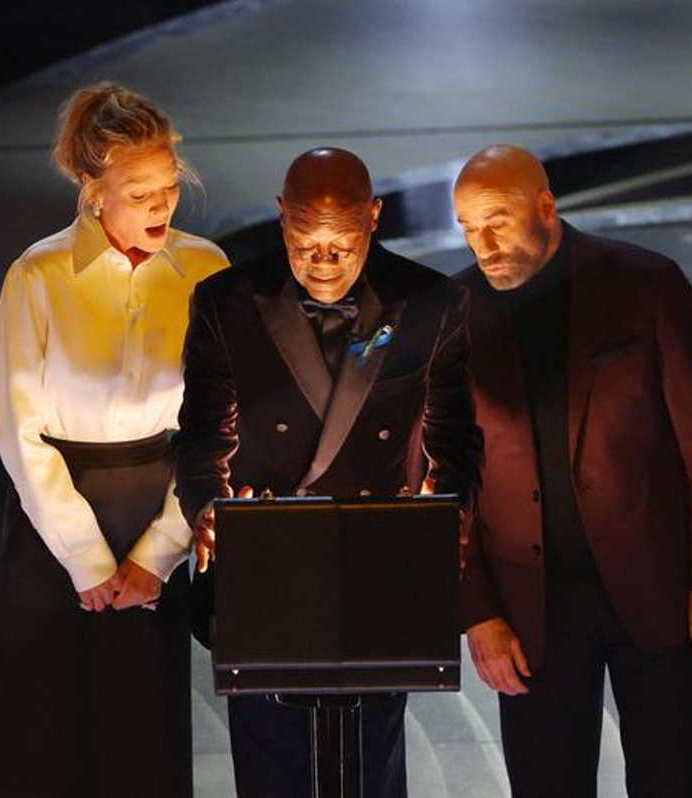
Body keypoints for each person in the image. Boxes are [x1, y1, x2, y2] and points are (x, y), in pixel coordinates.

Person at [173, 146, 482, 798]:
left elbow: (455, 438)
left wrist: (449, 515)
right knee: (270, 765)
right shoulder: (228, 302)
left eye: (341, 244)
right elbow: (202, 434)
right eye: (304, 243)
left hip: (380, 567)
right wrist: (207, 509)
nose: (323, 261)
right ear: (280, 216)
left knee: (373, 764)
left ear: (373, 217)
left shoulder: (429, 301)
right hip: (265, 570)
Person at [454, 144, 692, 798]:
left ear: (546, 206)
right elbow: (446, 481)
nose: (484, 244)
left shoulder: (646, 283)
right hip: (529, 608)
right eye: (469, 227)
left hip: (659, 587)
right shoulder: (453, 312)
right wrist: (478, 613)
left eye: (497, 221)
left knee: (672, 783)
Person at [0, 82, 228, 798]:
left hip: (159, 508)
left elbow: (216, 427)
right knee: (36, 733)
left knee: (141, 732)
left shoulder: (206, 270)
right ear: (92, 189)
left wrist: (159, 555)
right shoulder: (39, 273)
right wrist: (85, 559)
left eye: (169, 189)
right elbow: (18, 428)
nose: (161, 207)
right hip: (51, 522)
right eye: (140, 194)